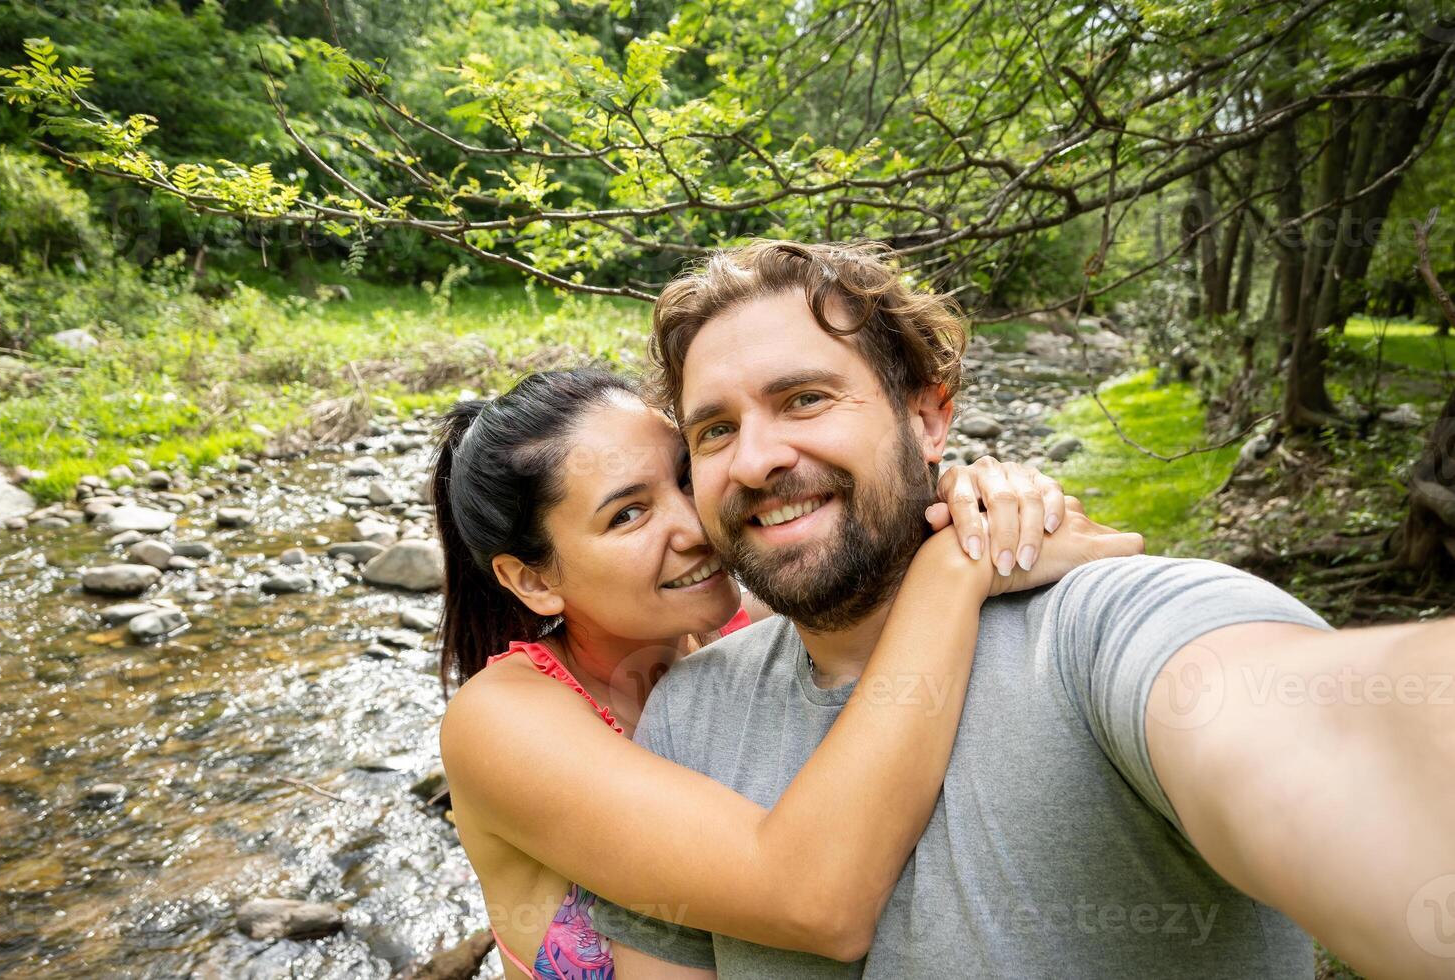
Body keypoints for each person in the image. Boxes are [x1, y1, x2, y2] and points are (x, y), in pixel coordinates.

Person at [592, 240, 1455, 979]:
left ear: (930, 417)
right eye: (713, 431)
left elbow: (1331, 731)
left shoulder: (1107, 627)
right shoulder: (689, 715)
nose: (754, 460)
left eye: (804, 399)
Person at [432, 368, 1144, 980]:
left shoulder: (761, 630)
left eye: (687, 477)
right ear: (531, 581)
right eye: (629, 514)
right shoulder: (502, 722)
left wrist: (974, 506)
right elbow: (815, 903)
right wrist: (953, 571)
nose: (696, 525)